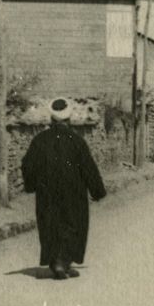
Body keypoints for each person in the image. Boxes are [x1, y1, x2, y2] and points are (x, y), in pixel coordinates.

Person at [21, 98, 107, 279]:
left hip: (47, 193)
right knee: (72, 225)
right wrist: (97, 191)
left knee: (50, 225)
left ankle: (56, 263)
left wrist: (31, 185)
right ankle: (64, 262)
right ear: (69, 119)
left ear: (51, 119)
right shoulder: (77, 141)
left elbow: (27, 164)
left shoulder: (39, 140)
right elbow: (88, 167)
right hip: (73, 193)